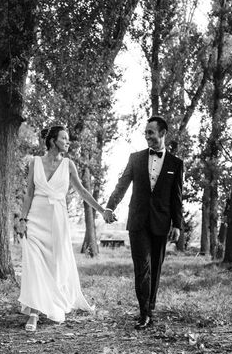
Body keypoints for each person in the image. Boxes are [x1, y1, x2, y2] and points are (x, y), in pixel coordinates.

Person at [17, 125, 106, 331]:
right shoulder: (35, 163)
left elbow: (82, 192)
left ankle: (51, 302)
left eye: (68, 139)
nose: (68, 142)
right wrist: (22, 219)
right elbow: (29, 193)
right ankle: (33, 313)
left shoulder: (68, 165)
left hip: (57, 220)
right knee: (34, 265)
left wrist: (102, 210)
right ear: (52, 141)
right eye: (64, 138)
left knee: (54, 264)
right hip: (35, 220)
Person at [102, 116, 183, 330]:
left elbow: (177, 197)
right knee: (142, 266)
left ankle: (151, 305)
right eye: (146, 133)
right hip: (138, 221)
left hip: (161, 222)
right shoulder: (135, 158)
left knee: (155, 266)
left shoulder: (176, 164)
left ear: (163, 133)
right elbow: (122, 184)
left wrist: (177, 225)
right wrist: (110, 206)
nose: (147, 137)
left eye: (151, 132)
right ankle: (144, 312)